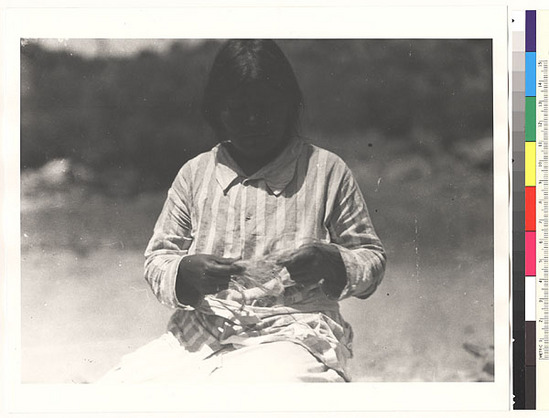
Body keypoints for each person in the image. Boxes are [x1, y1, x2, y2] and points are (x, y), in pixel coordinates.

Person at [99, 39, 386, 383]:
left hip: (292, 331)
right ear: (217, 111)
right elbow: (158, 259)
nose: (252, 121)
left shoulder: (325, 170)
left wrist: (333, 262)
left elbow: (371, 256)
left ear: (289, 105)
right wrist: (185, 272)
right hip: (200, 333)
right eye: (238, 110)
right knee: (115, 388)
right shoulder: (195, 174)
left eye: (265, 109)